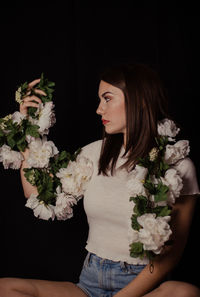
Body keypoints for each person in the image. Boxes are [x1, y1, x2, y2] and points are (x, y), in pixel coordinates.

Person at [0, 63, 200, 297]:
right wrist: (27, 131)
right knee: (5, 288)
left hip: (141, 289)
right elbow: (34, 193)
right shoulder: (94, 154)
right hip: (90, 284)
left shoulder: (177, 167)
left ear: (140, 100)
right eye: (99, 100)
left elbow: (170, 255)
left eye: (107, 99)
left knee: (184, 292)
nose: (98, 109)